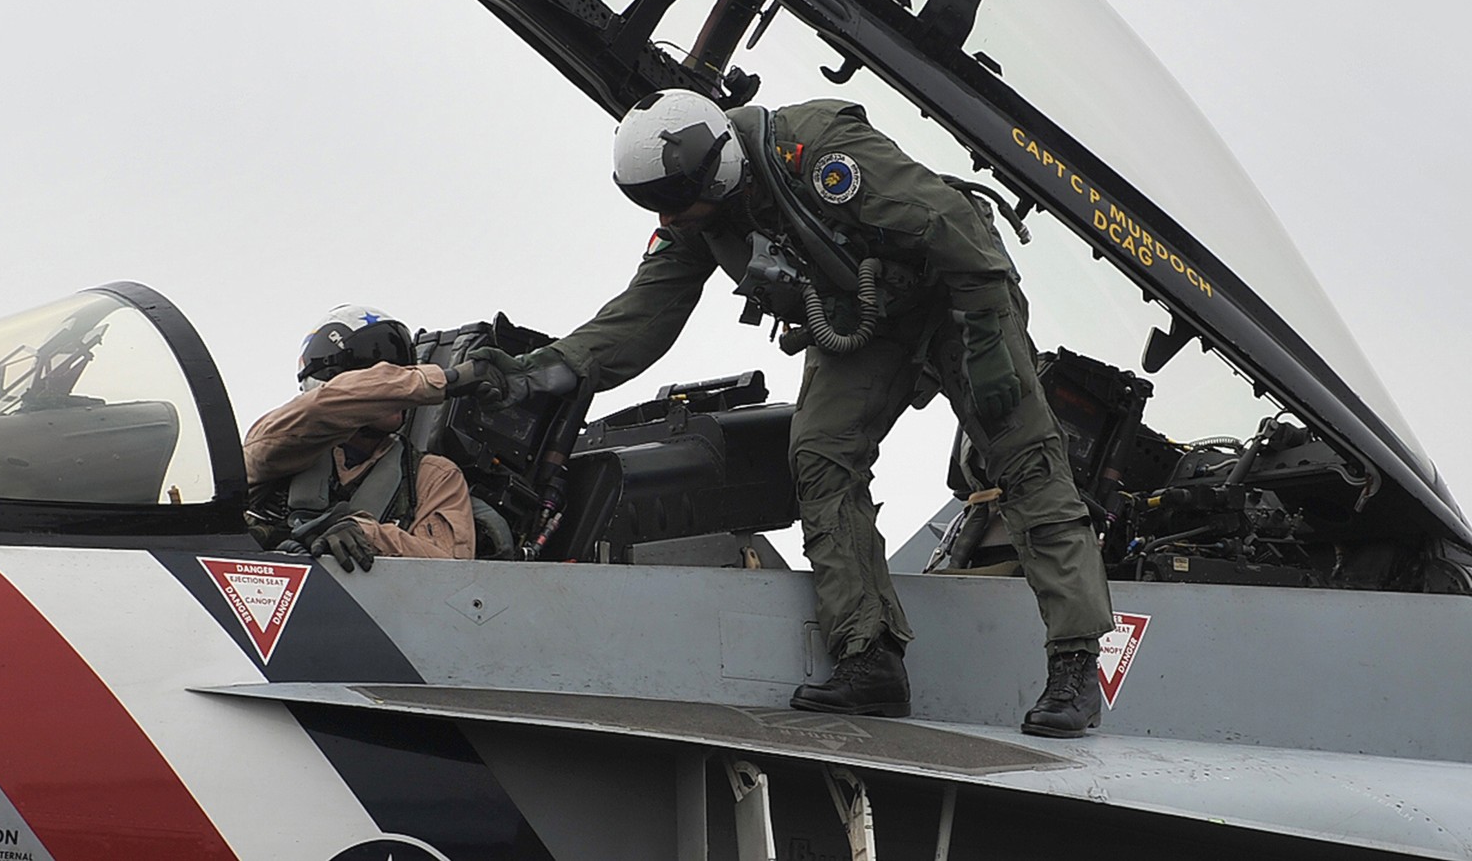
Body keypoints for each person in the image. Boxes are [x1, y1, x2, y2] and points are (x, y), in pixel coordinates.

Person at [470, 90, 1113, 738]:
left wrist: (983, 339)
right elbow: (641, 318)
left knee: (1022, 454)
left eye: (677, 200)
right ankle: (868, 659)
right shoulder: (696, 214)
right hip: (865, 317)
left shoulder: (818, 152)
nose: (672, 216)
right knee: (820, 457)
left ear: (712, 168)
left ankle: (1076, 665)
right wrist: (535, 373)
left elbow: (956, 229)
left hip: (959, 291)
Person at [242, 304, 496, 571]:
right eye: (384, 378)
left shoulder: (432, 476)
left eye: (403, 375)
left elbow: (453, 572)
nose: (399, 391)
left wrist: (367, 534)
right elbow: (321, 406)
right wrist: (446, 380)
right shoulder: (276, 443)